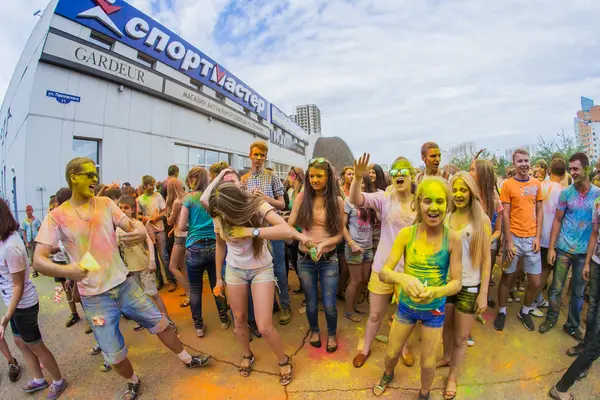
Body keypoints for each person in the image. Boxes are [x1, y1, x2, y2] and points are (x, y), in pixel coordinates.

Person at [34, 157, 211, 400]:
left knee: (161, 324)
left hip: (125, 284)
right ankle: (132, 381)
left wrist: (138, 232)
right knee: (114, 353)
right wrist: (69, 271)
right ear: (73, 177)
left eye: (95, 174)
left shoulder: (106, 203)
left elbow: (131, 225)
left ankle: (188, 359)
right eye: (89, 174)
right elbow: (38, 259)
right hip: (95, 299)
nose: (95, 179)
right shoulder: (57, 217)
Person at [206, 171, 300, 386]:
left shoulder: (255, 205)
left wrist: (250, 231)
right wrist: (219, 278)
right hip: (234, 270)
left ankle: (283, 360)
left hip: (261, 269)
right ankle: (247, 355)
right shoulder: (219, 211)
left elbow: (285, 230)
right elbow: (221, 244)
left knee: (265, 325)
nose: (221, 215)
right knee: (239, 319)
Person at [374, 177, 462, 398]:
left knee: (428, 363)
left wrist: (436, 291)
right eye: (428, 201)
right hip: (405, 307)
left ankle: (424, 393)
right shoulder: (407, 235)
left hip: (434, 311)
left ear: (448, 205)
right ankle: (387, 373)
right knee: (392, 353)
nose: (434, 207)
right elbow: (384, 273)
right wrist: (403, 279)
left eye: (440, 202)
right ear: (418, 203)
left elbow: (457, 283)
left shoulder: (452, 238)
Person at [352, 154, 416, 369]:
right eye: (395, 172)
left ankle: (405, 348)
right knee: (375, 314)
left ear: (411, 176)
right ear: (391, 178)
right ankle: (365, 348)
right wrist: (357, 178)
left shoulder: (419, 203)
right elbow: (356, 200)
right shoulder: (383, 198)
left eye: (403, 172)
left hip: (408, 271)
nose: (399, 176)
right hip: (383, 267)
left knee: (404, 316)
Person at [0, 198, 68, 398]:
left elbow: (18, 285)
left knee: (35, 344)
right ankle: (39, 379)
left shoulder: (11, 246)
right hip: (13, 305)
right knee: (21, 343)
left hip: (23, 305)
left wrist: (6, 317)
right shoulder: (4, 240)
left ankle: (58, 380)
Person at [437, 172, 491, 400]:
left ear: (471, 192)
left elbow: (487, 259)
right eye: (455, 189)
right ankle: (447, 356)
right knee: (445, 328)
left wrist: (483, 294)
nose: (459, 194)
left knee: (461, 337)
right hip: (448, 284)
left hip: (469, 286)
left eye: (463, 189)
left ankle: (452, 377)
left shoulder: (482, 220)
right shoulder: (446, 217)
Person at [539, 153, 600, 339]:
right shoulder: (566, 193)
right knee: (556, 288)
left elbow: (595, 229)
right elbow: (557, 221)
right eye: (570, 169)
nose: (572, 172)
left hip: (584, 254)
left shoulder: (597, 194)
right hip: (564, 249)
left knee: (578, 293)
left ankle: (572, 325)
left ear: (586, 169)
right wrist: (551, 248)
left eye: (576, 168)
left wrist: (589, 260)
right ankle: (551, 318)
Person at [288, 157, 344, 353]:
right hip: (305, 259)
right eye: (311, 176)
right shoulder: (301, 198)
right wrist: (302, 238)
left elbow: (339, 234)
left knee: (329, 304)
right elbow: (289, 226)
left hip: (329, 260)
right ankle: (314, 331)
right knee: (311, 302)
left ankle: (331, 334)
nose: (315, 179)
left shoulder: (337, 201)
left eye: (319, 176)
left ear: (328, 177)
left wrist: (324, 244)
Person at [241, 141, 291, 326]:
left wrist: (265, 198)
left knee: (278, 268)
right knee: (260, 269)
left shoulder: (272, 176)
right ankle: (272, 305)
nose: (259, 158)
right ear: (250, 156)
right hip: (255, 231)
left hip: (273, 229)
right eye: (256, 155)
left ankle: (285, 305)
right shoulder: (244, 179)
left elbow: (282, 204)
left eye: (262, 155)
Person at [494, 149, 543, 332]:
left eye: (526, 160)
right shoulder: (507, 184)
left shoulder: (536, 183)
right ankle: (503, 311)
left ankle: (524, 310)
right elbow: (505, 213)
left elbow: (539, 211)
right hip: (513, 238)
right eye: (519, 161)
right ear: (514, 164)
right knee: (507, 276)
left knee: (536, 282)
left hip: (532, 240)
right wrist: (509, 241)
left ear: (530, 162)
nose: (523, 164)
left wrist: (538, 237)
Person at [178, 167, 229, 337]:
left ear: (192, 180)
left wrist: (192, 225)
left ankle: (199, 327)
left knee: (195, 288)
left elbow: (181, 226)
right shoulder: (213, 197)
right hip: (215, 246)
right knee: (217, 283)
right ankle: (223, 320)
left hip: (194, 247)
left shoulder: (188, 199)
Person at [116, 195, 175, 332]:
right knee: (137, 297)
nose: (123, 210)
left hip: (143, 266)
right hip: (130, 269)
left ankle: (167, 319)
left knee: (153, 294)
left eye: (126, 207)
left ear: (132, 209)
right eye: (120, 208)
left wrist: (152, 261)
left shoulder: (137, 224)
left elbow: (149, 241)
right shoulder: (117, 228)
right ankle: (143, 320)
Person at [343, 175, 375, 322]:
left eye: (364, 184)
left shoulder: (371, 202)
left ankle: (354, 306)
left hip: (368, 247)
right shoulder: (348, 202)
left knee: (363, 280)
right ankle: (349, 311)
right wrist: (351, 243)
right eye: (358, 184)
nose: (361, 187)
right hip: (354, 246)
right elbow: (341, 226)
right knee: (355, 281)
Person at [137, 175, 177, 292]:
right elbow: (138, 215)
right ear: (145, 185)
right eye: (150, 185)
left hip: (159, 229)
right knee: (153, 256)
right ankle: (159, 279)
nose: (153, 187)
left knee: (163, 255)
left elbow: (165, 212)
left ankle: (171, 280)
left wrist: (155, 218)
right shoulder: (139, 199)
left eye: (154, 184)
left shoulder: (158, 196)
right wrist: (143, 218)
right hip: (148, 230)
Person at [534, 158, 565, 310]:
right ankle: (533, 301)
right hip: (550, 238)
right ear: (564, 173)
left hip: (535, 235)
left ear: (550, 170)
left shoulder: (539, 185)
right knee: (544, 272)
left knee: (535, 271)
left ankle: (537, 299)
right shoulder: (562, 191)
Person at [50, 188, 82, 329]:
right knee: (68, 289)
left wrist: (58, 248)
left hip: (75, 261)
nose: (53, 209)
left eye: (55, 205)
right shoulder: (54, 220)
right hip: (62, 261)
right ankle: (74, 313)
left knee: (81, 294)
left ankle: (94, 319)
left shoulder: (72, 219)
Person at [166, 178, 191, 308]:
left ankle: (189, 293)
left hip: (180, 237)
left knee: (172, 267)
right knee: (182, 264)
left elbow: (170, 221)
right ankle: (190, 290)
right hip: (186, 234)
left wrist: (167, 211)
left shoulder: (176, 202)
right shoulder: (187, 197)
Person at [287, 167, 304, 295]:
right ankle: (303, 286)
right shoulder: (293, 191)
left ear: (294, 176)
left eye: (289, 175)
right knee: (295, 261)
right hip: (294, 230)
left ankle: (307, 288)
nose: (288, 178)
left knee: (300, 263)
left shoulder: (303, 191)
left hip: (301, 232)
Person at [21, 205, 41, 278]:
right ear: (26, 212)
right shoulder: (24, 222)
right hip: (29, 241)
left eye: (30, 210)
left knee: (38, 256)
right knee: (31, 257)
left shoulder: (36, 220)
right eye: (27, 210)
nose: (29, 212)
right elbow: (24, 233)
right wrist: (26, 242)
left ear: (32, 211)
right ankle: (35, 271)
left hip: (36, 240)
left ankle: (40, 268)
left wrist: (40, 240)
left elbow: (40, 230)